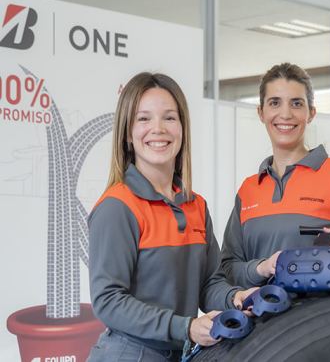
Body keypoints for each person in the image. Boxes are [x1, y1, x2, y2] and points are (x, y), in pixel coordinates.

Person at [87, 72, 254, 362]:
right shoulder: (118, 206)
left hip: (179, 352)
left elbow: (208, 283)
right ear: (127, 133)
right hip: (129, 354)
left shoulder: (196, 206)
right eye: (144, 119)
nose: (158, 129)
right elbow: (108, 301)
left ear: (182, 128)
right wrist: (186, 327)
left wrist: (235, 298)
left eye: (169, 118)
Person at [220, 63, 330, 289]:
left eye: (296, 104)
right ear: (261, 113)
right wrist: (261, 267)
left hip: (323, 321)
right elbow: (228, 269)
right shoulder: (249, 190)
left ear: (311, 113)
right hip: (263, 320)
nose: (285, 114)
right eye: (274, 103)